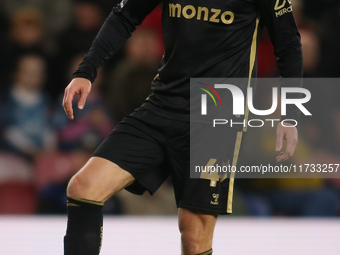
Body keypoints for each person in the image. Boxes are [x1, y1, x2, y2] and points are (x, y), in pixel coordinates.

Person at [62, 0, 302, 254]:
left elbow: (288, 45)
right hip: (161, 105)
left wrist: (289, 115)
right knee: (83, 187)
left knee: (194, 236)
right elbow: (124, 16)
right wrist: (86, 71)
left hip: (216, 120)